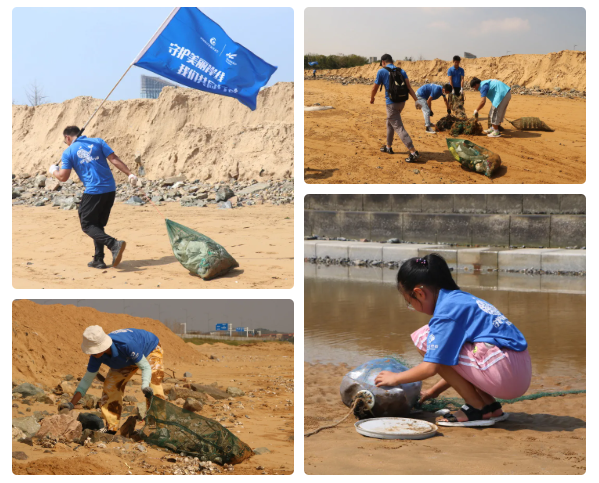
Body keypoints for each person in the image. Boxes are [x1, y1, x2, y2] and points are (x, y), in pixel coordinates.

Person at [374, 254, 531, 427]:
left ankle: (476, 407)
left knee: (424, 338)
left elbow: (431, 367)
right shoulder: (461, 299)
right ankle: (490, 406)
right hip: (519, 369)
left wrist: (396, 378)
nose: (412, 307)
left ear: (419, 293)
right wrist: (434, 391)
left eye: (409, 302)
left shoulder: (447, 312)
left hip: (504, 372)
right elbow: (458, 365)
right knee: (448, 345)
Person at [50, 126, 137, 269]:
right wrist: (130, 174)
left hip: (94, 191)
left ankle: (113, 244)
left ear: (67, 138)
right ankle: (98, 259)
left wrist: (54, 170)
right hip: (110, 189)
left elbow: (63, 177)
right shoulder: (98, 141)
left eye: (65, 141)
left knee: (87, 224)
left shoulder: (69, 151)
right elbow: (114, 159)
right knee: (97, 225)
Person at [58, 326, 166, 434]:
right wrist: (71, 404)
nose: (92, 354)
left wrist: (144, 386)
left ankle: (159, 427)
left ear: (103, 346)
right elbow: (87, 380)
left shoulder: (125, 344)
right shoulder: (96, 356)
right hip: (126, 359)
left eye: (94, 351)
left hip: (150, 349)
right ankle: (111, 428)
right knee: (110, 386)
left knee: (154, 384)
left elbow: (145, 367)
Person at [370, 54, 420, 163]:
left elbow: (375, 87)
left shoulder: (381, 71)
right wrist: (416, 100)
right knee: (390, 123)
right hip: (402, 102)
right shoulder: (401, 71)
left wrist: (372, 98)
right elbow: (409, 87)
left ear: (383, 62)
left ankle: (413, 152)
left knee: (398, 127)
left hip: (391, 103)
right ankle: (388, 146)